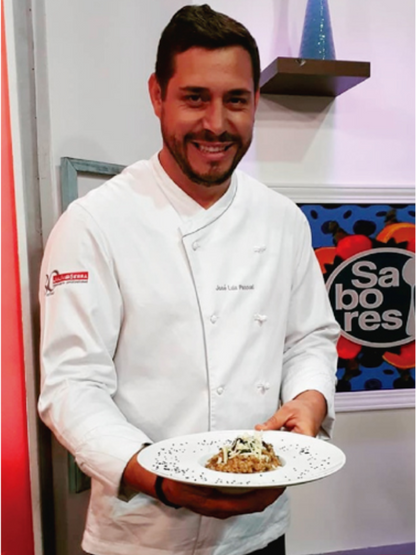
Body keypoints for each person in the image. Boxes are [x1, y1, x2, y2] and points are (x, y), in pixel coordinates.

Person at [38, 4, 340, 555]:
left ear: (255, 101)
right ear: (157, 95)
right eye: (195, 98)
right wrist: (159, 480)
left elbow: (309, 339)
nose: (216, 124)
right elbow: (72, 386)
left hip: (259, 531)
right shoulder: (93, 224)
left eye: (236, 100)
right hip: (142, 535)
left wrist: (308, 400)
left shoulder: (283, 220)